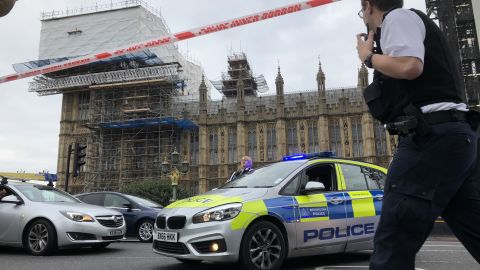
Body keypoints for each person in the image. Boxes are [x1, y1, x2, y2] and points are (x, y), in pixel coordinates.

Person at [356, 0, 480, 269]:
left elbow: (409, 66)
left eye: (362, 12)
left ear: (368, 6)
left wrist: (367, 56)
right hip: (457, 141)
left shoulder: (397, 18)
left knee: (392, 247)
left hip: (431, 141)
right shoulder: (414, 25)